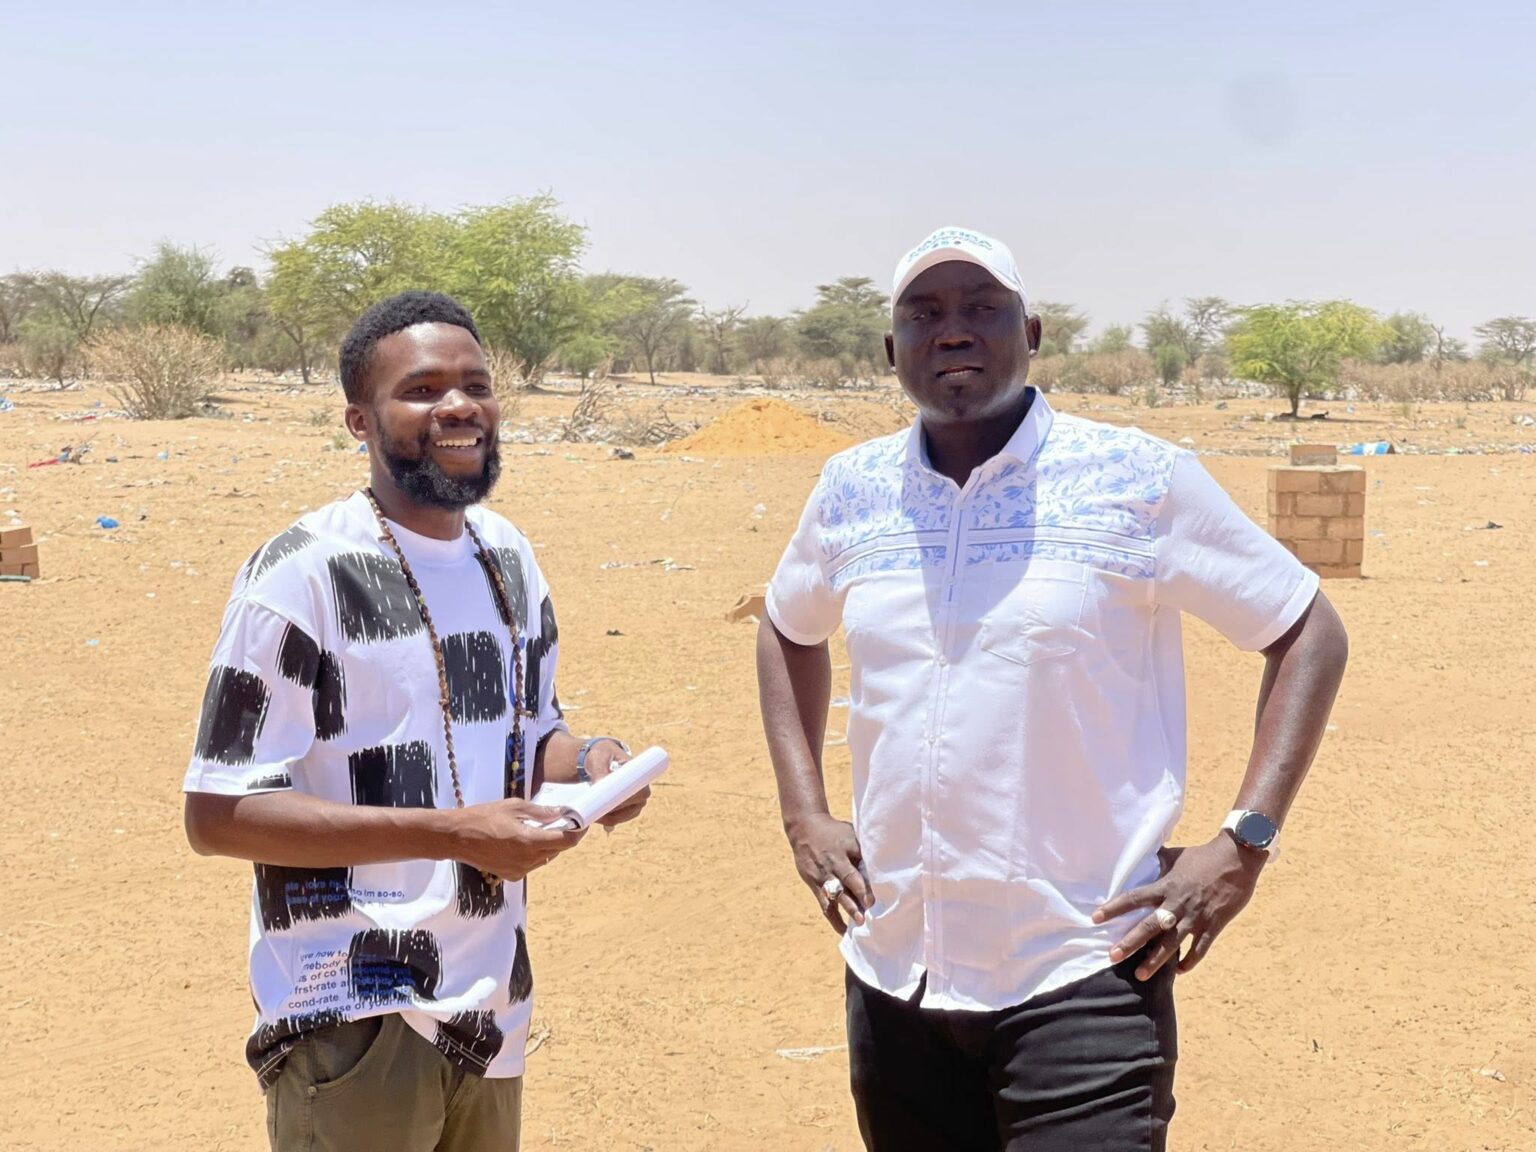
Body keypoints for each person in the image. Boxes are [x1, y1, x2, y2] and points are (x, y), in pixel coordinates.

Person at [756, 227, 1349, 1151]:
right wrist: (805, 812)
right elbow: (786, 626)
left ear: (1030, 333)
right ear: (891, 350)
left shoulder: (1139, 480)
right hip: (894, 972)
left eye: (980, 308)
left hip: (1083, 969)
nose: (952, 331)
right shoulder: (851, 490)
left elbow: (1307, 627)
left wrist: (1248, 841)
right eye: (926, 313)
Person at [183, 291, 649, 1152]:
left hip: (489, 1005)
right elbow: (218, 815)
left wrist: (589, 764)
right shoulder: (301, 574)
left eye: (475, 383)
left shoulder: (506, 556)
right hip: (351, 1016)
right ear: (360, 422)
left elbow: (522, 732)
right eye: (423, 389)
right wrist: (451, 834)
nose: (460, 405)